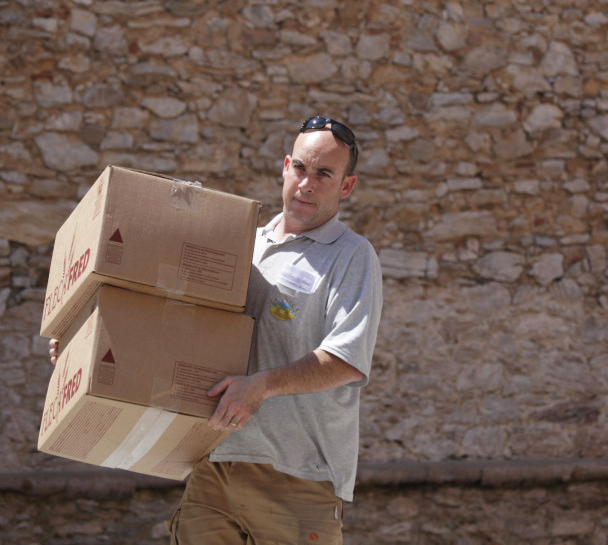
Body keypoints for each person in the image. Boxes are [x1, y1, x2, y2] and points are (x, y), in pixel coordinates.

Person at [48, 116, 383, 544]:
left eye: (324, 174)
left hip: (298, 477)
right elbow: (174, 320)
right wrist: (86, 340)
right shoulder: (242, 245)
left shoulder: (351, 256)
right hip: (215, 463)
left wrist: (260, 386)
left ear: (346, 186)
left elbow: (346, 361)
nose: (307, 183)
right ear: (285, 167)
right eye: (300, 168)